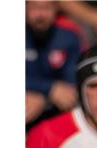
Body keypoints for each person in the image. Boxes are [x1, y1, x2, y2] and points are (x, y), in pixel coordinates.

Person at [27, 0, 82, 128]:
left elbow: (71, 85)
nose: (40, 15)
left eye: (46, 8)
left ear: (56, 9)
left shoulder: (69, 38)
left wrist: (44, 100)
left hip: (56, 111)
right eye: (34, 7)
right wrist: (48, 88)